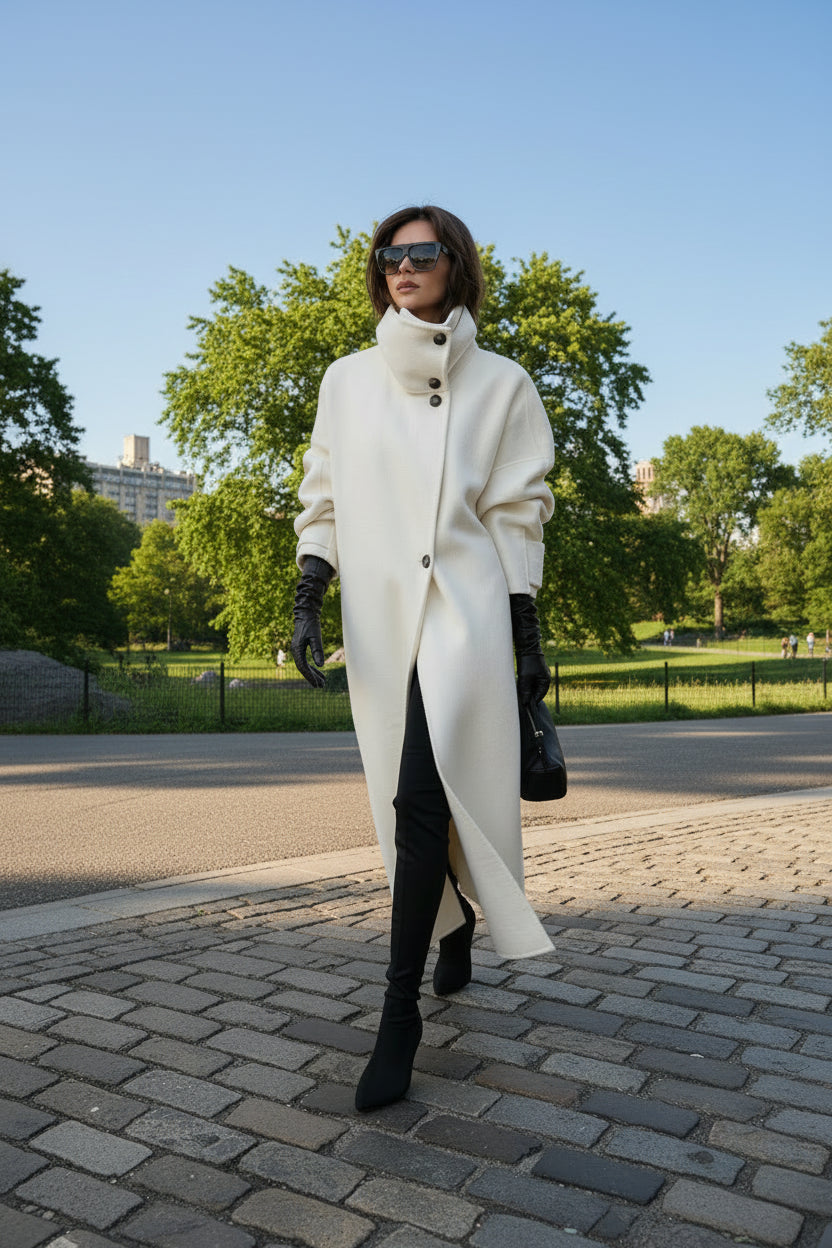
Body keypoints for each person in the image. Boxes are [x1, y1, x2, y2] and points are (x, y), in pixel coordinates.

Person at [291, 205, 555, 1111]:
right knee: (407, 796)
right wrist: (307, 597)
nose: (403, 267)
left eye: (422, 253)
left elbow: (519, 513)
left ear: (455, 265)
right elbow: (321, 494)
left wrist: (526, 639)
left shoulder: (504, 383)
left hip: (467, 613)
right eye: (390, 255)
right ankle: (453, 925)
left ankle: (396, 1015)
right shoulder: (347, 380)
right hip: (380, 615)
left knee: (423, 797)